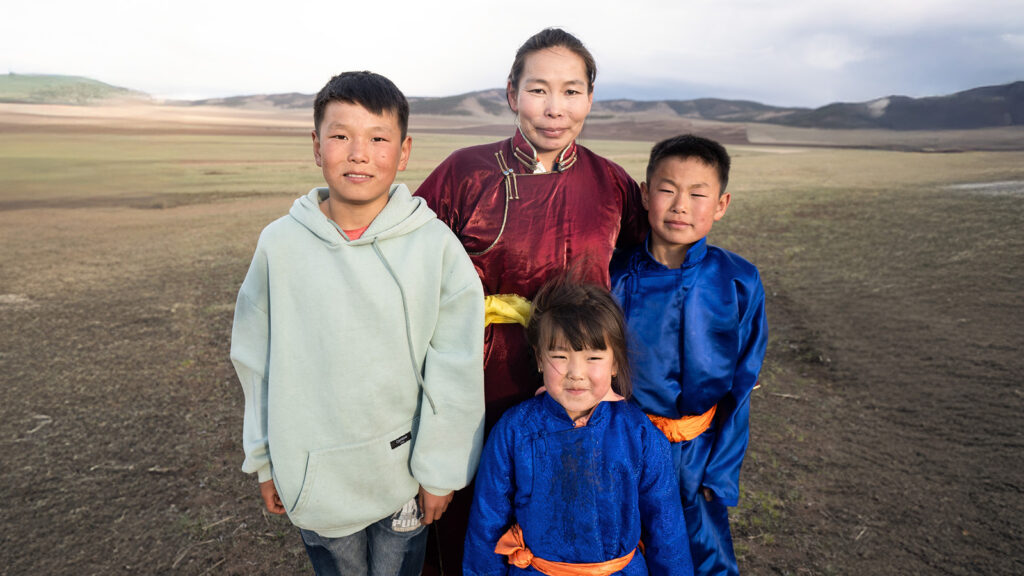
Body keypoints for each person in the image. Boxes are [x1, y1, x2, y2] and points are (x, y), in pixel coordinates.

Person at [230, 71, 486, 576]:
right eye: (341, 135)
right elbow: (254, 361)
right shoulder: (280, 246)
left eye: (377, 138)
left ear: (405, 151)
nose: (358, 153)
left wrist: (440, 471)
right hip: (312, 471)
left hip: (404, 478)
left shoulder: (434, 247)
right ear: (316, 145)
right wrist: (263, 460)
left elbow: (455, 366)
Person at [416, 28, 646, 573]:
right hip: (478, 373)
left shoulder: (612, 182)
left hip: (577, 380)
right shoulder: (464, 171)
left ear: (590, 97)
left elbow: (640, 265)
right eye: (539, 89)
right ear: (511, 93)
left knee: (566, 508)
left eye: (571, 91)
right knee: (471, 505)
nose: (554, 108)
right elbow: (409, 262)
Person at [610, 135, 768, 576]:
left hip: (699, 454)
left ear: (721, 204)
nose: (680, 205)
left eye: (698, 194)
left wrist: (721, 471)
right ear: (644, 194)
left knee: (704, 557)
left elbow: (743, 384)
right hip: (627, 447)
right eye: (667, 189)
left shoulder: (739, 281)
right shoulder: (613, 274)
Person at [463, 277, 694, 576]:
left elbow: (667, 527)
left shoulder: (638, 433)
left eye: (593, 357)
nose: (576, 373)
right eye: (560, 356)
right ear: (539, 359)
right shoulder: (514, 430)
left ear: (614, 363)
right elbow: (487, 521)